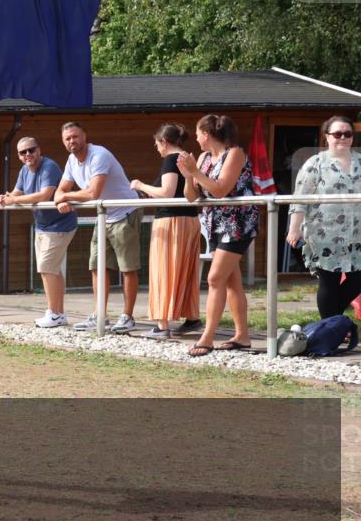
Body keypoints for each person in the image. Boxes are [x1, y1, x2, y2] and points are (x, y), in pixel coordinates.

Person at [179, 114, 259, 357]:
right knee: (230, 281)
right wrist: (188, 175)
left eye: (197, 133)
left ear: (206, 134)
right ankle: (242, 336)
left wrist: (196, 172)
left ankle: (208, 337)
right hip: (214, 222)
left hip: (238, 222)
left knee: (214, 279)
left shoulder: (234, 153)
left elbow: (222, 189)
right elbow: (192, 197)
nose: (195, 138)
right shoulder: (202, 158)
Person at [55, 122, 142, 334]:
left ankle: (127, 316)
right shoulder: (71, 161)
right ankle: (99, 315)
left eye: (75, 136)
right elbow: (60, 190)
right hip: (103, 216)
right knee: (96, 266)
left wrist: (65, 197)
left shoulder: (99, 155)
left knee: (127, 268)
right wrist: (61, 198)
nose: (72, 141)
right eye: (67, 139)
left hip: (124, 212)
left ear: (85, 136)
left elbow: (93, 192)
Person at [129, 124, 203, 339]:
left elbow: (167, 192)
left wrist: (140, 185)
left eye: (157, 144)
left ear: (164, 142)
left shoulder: (171, 159)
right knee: (186, 271)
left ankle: (162, 326)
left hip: (171, 220)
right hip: (189, 219)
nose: (156, 148)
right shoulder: (187, 158)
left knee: (164, 270)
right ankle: (191, 318)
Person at [0, 136, 78, 328]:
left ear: (39, 150)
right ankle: (59, 314)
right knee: (52, 270)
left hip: (60, 225)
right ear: (18, 156)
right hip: (42, 226)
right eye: (23, 152)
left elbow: (44, 195)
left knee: (46, 268)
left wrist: (14, 200)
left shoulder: (49, 167)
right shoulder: (25, 170)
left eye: (31, 150)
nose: (28, 155)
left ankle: (53, 313)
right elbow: (17, 192)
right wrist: (6, 197)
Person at [287, 115, 361, 319]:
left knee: (357, 280)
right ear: (327, 137)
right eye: (337, 134)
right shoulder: (315, 163)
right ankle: (331, 327)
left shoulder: (360, 161)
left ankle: (331, 323)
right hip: (324, 233)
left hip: (357, 234)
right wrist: (294, 227)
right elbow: (300, 197)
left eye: (347, 134)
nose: (343, 138)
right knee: (329, 281)